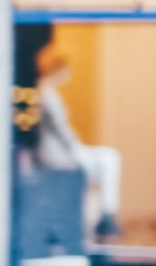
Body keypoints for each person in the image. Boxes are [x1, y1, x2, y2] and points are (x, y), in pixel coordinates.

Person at [32, 45, 123, 238]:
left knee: (108, 160)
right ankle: (107, 215)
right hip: (58, 154)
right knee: (108, 159)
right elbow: (61, 131)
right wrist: (77, 148)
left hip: (63, 150)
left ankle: (107, 213)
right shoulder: (46, 93)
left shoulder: (47, 92)